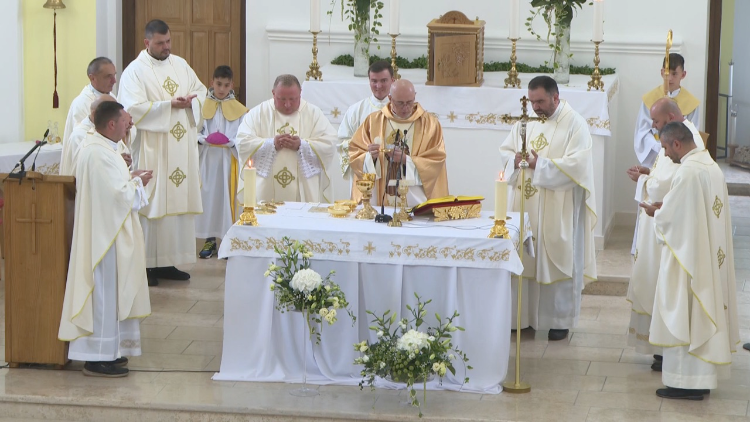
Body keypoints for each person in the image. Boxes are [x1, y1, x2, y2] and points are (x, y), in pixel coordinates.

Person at [640, 121, 739, 400]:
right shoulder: (711, 166)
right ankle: (702, 378)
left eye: (665, 148)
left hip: (690, 261)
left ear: (676, 144)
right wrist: (667, 208)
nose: (666, 155)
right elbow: (694, 210)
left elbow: (672, 219)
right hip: (707, 255)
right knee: (699, 313)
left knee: (685, 313)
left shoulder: (687, 173)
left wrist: (656, 213)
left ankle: (685, 382)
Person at [58, 101, 153, 377]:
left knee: (113, 295)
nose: (128, 125)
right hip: (103, 240)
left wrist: (130, 176)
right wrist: (138, 182)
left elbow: (113, 185)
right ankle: (95, 356)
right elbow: (117, 196)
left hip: (110, 233)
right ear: (111, 125)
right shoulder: (96, 153)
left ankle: (110, 351)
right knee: (102, 295)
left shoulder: (105, 147)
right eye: (124, 122)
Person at [498, 76, 597, 341]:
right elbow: (506, 152)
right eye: (532, 102)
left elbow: (579, 166)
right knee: (525, 256)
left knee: (557, 254)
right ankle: (522, 317)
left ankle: (558, 320)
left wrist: (539, 165)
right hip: (525, 203)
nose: (535, 107)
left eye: (540, 101)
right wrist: (515, 159)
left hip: (558, 205)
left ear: (556, 96)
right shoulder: (525, 121)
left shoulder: (575, 124)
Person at [118, 19, 206, 286]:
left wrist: (193, 103)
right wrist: (169, 105)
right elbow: (131, 108)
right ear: (147, 43)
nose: (166, 47)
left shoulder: (180, 64)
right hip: (153, 147)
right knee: (152, 203)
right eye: (160, 43)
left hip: (181, 148)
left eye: (168, 41)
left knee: (177, 205)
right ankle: (146, 266)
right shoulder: (134, 72)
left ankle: (168, 262)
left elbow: (201, 91)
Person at [625, 98, 705, 372]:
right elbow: (664, 172)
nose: (653, 127)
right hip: (659, 221)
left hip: (668, 225)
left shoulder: (687, 140)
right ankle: (660, 348)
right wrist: (649, 171)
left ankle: (665, 349)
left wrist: (646, 181)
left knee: (664, 288)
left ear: (670, 117)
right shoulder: (675, 136)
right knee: (652, 283)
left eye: (656, 122)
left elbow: (668, 184)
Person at [236, 74, 336, 203]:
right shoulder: (258, 113)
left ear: (300, 93)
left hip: (304, 194)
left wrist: (302, 145)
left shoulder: (313, 114)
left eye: (293, 99)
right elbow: (242, 142)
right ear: (273, 93)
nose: (287, 104)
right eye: (282, 99)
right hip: (266, 193)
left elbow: (330, 143)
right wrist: (270, 144)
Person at [348, 79, 448, 207]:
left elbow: (436, 160)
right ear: (390, 99)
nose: (405, 108)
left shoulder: (430, 125)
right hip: (380, 199)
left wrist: (407, 160)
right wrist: (370, 157)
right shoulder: (373, 121)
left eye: (409, 102)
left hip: (415, 201)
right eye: (400, 103)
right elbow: (355, 153)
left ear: (414, 97)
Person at [196, 65, 248, 259]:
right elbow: (195, 131)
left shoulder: (240, 110)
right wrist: (204, 139)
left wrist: (231, 141)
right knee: (208, 199)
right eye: (218, 84)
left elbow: (244, 136)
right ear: (212, 82)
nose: (221, 89)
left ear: (231, 85)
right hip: (208, 159)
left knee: (227, 199)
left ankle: (227, 240)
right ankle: (209, 239)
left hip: (228, 161)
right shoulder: (201, 108)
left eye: (226, 85)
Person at [338, 61, 394, 197]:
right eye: (374, 81)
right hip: (364, 175)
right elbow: (342, 143)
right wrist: (364, 151)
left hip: (394, 173)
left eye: (384, 80)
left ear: (393, 80)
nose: (378, 86)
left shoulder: (402, 108)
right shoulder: (356, 110)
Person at [634, 53, 700, 169]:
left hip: (678, 157)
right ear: (661, 72)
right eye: (666, 73)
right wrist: (658, 146)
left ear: (683, 75)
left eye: (674, 74)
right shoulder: (649, 99)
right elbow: (642, 131)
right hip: (654, 153)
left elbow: (693, 133)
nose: (669, 78)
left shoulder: (691, 103)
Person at [59, 94, 133, 176]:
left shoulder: (107, 132)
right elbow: (84, 172)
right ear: (95, 113)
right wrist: (119, 161)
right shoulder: (80, 136)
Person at [63, 57, 118, 144]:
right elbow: (80, 139)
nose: (114, 81)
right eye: (108, 77)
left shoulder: (112, 98)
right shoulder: (81, 103)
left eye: (114, 75)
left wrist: (127, 127)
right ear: (92, 78)